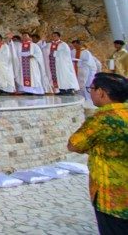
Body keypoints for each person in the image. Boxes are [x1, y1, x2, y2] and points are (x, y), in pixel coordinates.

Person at [68, 73, 128, 235]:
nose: (91, 92)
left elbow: (74, 144)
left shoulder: (102, 119)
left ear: (102, 92)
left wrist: (95, 146)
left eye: (92, 89)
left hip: (112, 197)